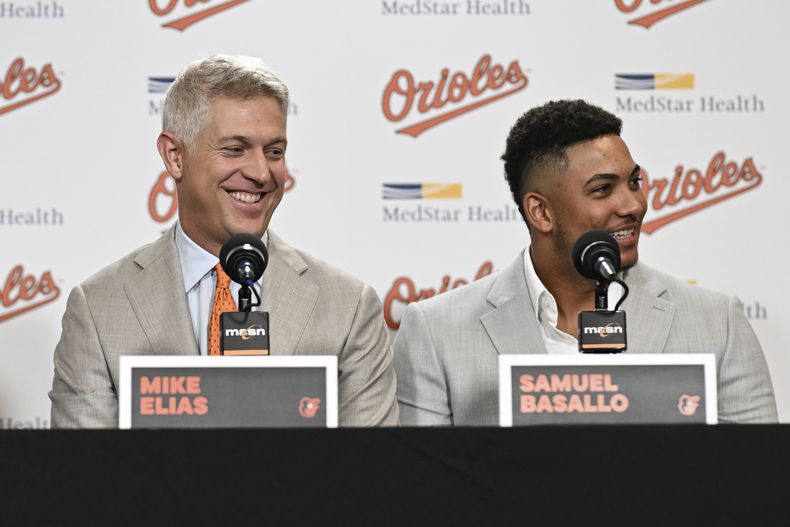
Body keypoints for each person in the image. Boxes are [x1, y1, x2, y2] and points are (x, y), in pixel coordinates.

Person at [50, 54, 398, 427]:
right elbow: (86, 476)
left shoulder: (348, 307)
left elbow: (371, 476)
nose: (261, 173)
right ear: (175, 156)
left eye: (274, 152)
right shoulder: (99, 308)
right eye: (235, 149)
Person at [393, 99, 777, 425]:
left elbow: (761, 482)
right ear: (541, 213)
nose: (633, 206)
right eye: (602, 189)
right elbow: (422, 496)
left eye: (634, 182)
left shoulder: (718, 322)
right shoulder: (436, 332)